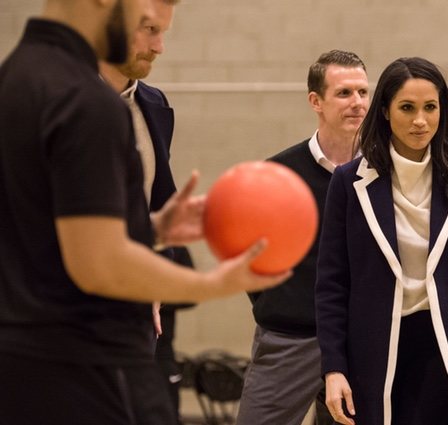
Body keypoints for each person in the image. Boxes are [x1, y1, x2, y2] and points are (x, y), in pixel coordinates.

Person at [0, 1, 288, 424]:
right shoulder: (86, 101)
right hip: (85, 365)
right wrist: (214, 283)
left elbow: (49, 231)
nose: (158, 43)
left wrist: (148, 228)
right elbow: (101, 265)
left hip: (23, 362)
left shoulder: (17, 77)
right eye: (146, 20)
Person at [316, 56, 448, 425]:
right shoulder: (349, 183)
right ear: (384, 111)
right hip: (377, 352)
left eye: (430, 108)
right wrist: (333, 368)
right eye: (407, 108)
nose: (420, 120)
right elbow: (332, 284)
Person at [235, 49, 369, 425]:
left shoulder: (383, 174)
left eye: (362, 92)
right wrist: (279, 305)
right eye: (344, 93)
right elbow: (248, 254)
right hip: (288, 339)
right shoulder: (277, 174)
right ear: (316, 101)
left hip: (358, 343)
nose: (357, 103)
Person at [99, 0, 194, 419]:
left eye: (163, 34)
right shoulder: (55, 96)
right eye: (150, 31)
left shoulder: (154, 104)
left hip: (136, 304)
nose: (159, 48)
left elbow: (156, 201)